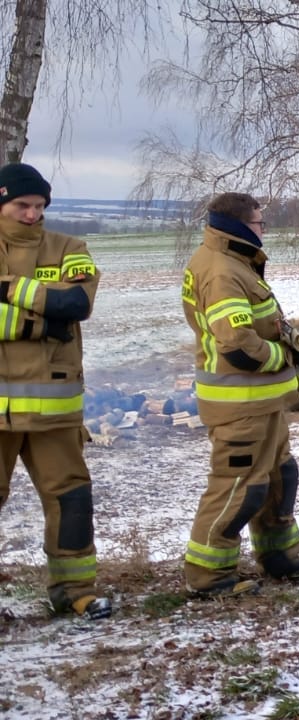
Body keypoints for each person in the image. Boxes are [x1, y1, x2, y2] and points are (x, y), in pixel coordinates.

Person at [180, 192, 299, 599]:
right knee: (238, 487)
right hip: (239, 405)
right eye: (260, 223)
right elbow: (239, 346)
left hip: (264, 403)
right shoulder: (222, 271)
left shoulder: (238, 263)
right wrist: (283, 356)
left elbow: (260, 322)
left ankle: (281, 559)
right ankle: (209, 576)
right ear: (241, 226)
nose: (264, 230)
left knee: (280, 480)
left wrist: (295, 342)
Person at [0, 163, 110, 620]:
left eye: (40, 206)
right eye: (22, 205)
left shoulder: (70, 247)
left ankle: (74, 590)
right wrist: (40, 322)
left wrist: (6, 288)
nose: (32, 214)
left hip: (55, 409)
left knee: (72, 499)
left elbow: (76, 303)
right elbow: (56, 310)